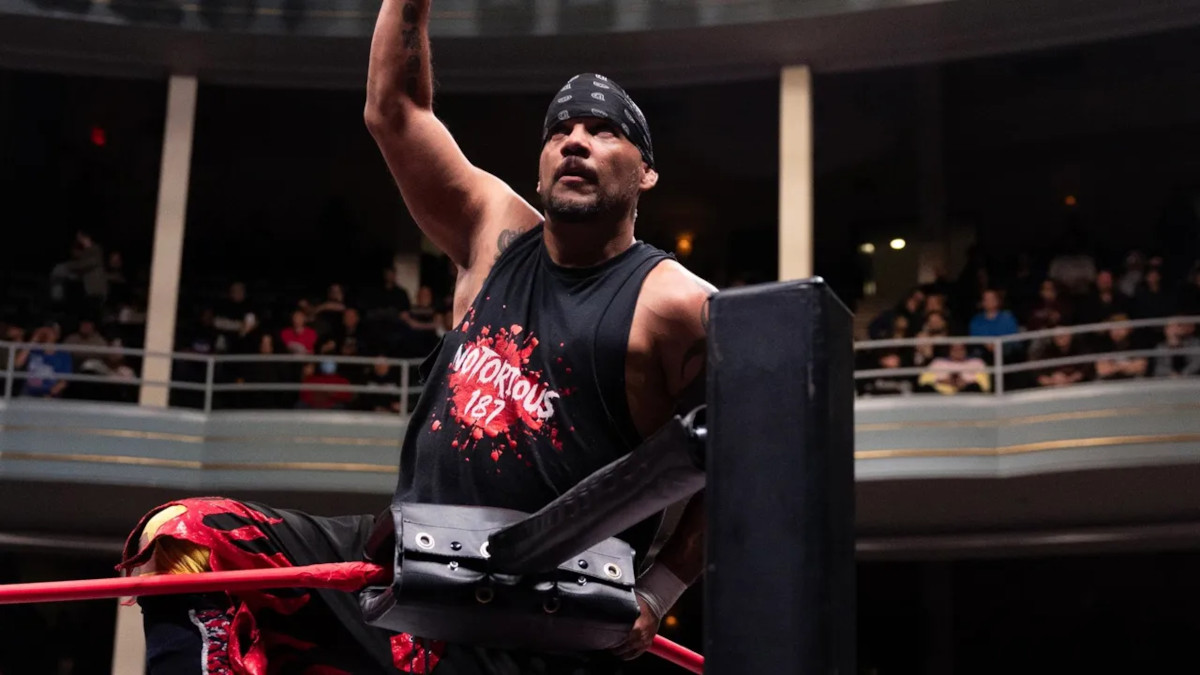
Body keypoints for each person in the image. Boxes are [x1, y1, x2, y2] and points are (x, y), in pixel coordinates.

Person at [120, 4, 711, 673]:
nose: (576, 141)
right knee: (187, 536)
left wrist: (659, 590)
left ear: (646, 171)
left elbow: (749, 454)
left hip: (532, 622)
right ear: (541, 164)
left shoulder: (676, 305)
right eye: (560, 131)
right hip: (405, 570)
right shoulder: (495, 232)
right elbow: (395, 110)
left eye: (603, 131)